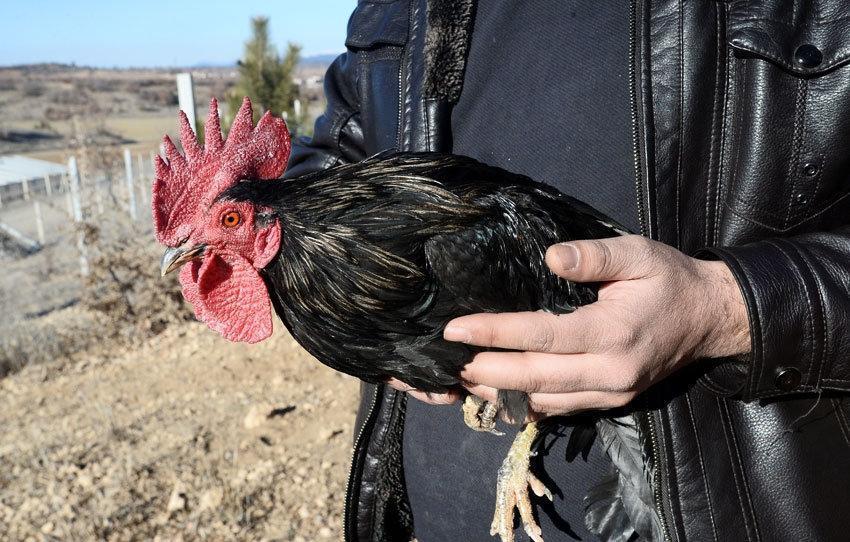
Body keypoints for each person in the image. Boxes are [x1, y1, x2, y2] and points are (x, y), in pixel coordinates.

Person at [286, 1, 850, 540]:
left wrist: (724, 306)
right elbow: (338, 153)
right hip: (434, 507)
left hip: (709, 494)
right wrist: (307, 256)